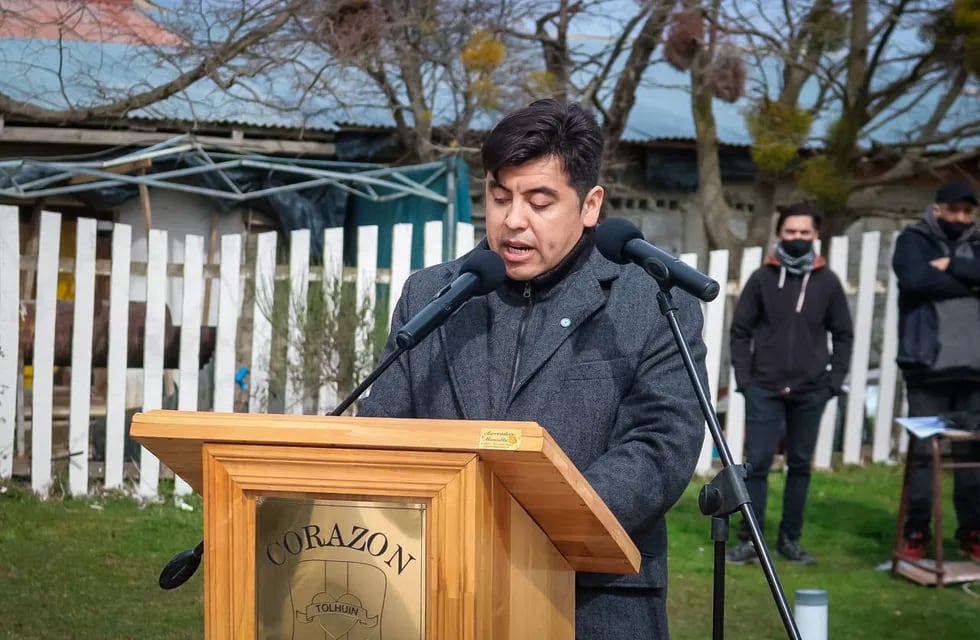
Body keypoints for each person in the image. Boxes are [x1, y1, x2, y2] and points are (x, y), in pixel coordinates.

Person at [357, 99, 708, 638]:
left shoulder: (651, 302)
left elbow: (661, 445)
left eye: (539, 202)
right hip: (436, 589)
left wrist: (534, 524)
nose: (513, 220)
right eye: (499, 198)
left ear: (590, 205)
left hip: (589, 601)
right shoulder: (430, 295)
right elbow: (382, 427)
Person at [727, 202, 853, 566]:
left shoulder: (828, 282)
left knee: (800, 466)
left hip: (811, 390)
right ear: (779, 234)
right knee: (758, 464)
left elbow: (843, 333)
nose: (797, 238)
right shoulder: (762, 279)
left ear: (816, 236)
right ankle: (750, 541)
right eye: (790, 232)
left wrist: (834, 381)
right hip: (763, 387)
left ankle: (790, 540)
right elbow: (740, 331)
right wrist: (745, 379)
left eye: (804, 233)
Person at [892, 179, 980, 563]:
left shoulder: (975, 243)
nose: (960, 217)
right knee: (925, 456)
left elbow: (932, 279)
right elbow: (914, 279)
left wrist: (952, 265)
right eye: (954, 210)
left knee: (973, 457)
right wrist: (969, 281)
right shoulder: (913, 240)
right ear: (938, 209)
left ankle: (972, 531)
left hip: (974, 369)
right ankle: (916, 532)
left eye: (968, 211)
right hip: (927, 365)